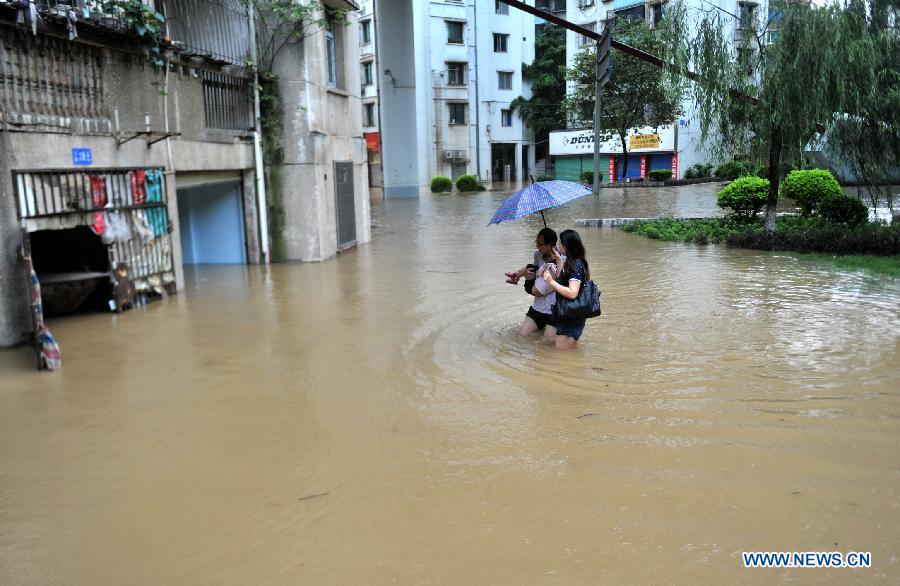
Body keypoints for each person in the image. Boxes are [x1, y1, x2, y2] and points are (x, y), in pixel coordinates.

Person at [542, 229, 590, 350]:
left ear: (566, 245)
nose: (558, 245)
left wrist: (550, 281)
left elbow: (572, 293)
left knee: (562, 351)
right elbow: (562, 281)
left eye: (560, 243)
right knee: (566, 349)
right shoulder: (572, 263)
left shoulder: (577, 265)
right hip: (567, 312)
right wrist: (559, 261)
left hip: (571, 315)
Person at [518, 229, 564, 338]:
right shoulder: (537, 255)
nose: (537, 246)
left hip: (555, 309)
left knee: (547, 343)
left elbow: (563, 282)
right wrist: (526, 274)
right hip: (538, 306)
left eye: (540, 244)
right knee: (521, 335)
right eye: (536, 243)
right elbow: (535, 274)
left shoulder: (562, 257)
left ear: (550, 244)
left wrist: (558, 262)